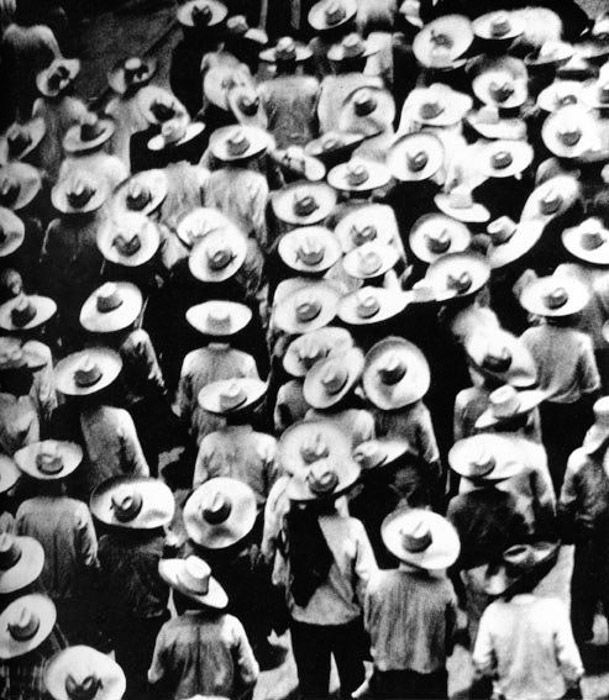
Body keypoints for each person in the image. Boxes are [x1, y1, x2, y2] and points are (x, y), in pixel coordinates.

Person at [277, 453, 377, 698]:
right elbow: (368, 581)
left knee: (312, 688)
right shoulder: (353, 528)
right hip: (345, 619)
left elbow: (279, 576)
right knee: (353, 684)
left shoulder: (291, 526)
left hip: (305, 620)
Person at [92, 474, 175, 700]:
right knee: (156, 671)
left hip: (122, 620)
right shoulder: (159, 547)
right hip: (153, 618)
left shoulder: (105, 545)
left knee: (127, 671)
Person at [364, 508, 460, 699]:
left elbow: (368, 625)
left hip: (387, 674)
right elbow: (450, 634)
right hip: (429, 677)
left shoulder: (377, 582)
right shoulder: (443, 589)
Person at [14, 439, 99, 645]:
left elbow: (17, 557)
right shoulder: (78, 510)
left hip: (36, 601)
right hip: (71, 601)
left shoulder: (24, 511)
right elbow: (90, 561)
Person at [473, 543, 583, 700]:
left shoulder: (492, 612)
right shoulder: (553, 608)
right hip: (551, 693)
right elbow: (571, 662)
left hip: (512, 693)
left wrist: (498, 677)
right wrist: (572, 682)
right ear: (536, 576)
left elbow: (481, 659)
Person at [150, 554, 259, 699]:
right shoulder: (230, 626)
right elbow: (250, 674)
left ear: (178, 597)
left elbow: (155, 677)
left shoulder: (168, 631)